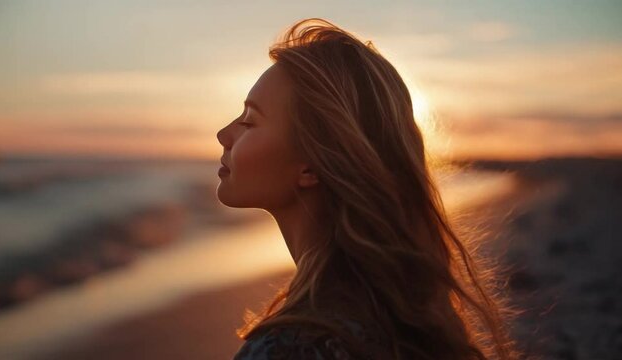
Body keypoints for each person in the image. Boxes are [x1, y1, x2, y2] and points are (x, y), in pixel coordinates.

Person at [216, 18, 518, 360]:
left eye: (249, 121)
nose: (224, 135)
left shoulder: (291, 346)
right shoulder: (401, 311)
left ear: (311, 165)